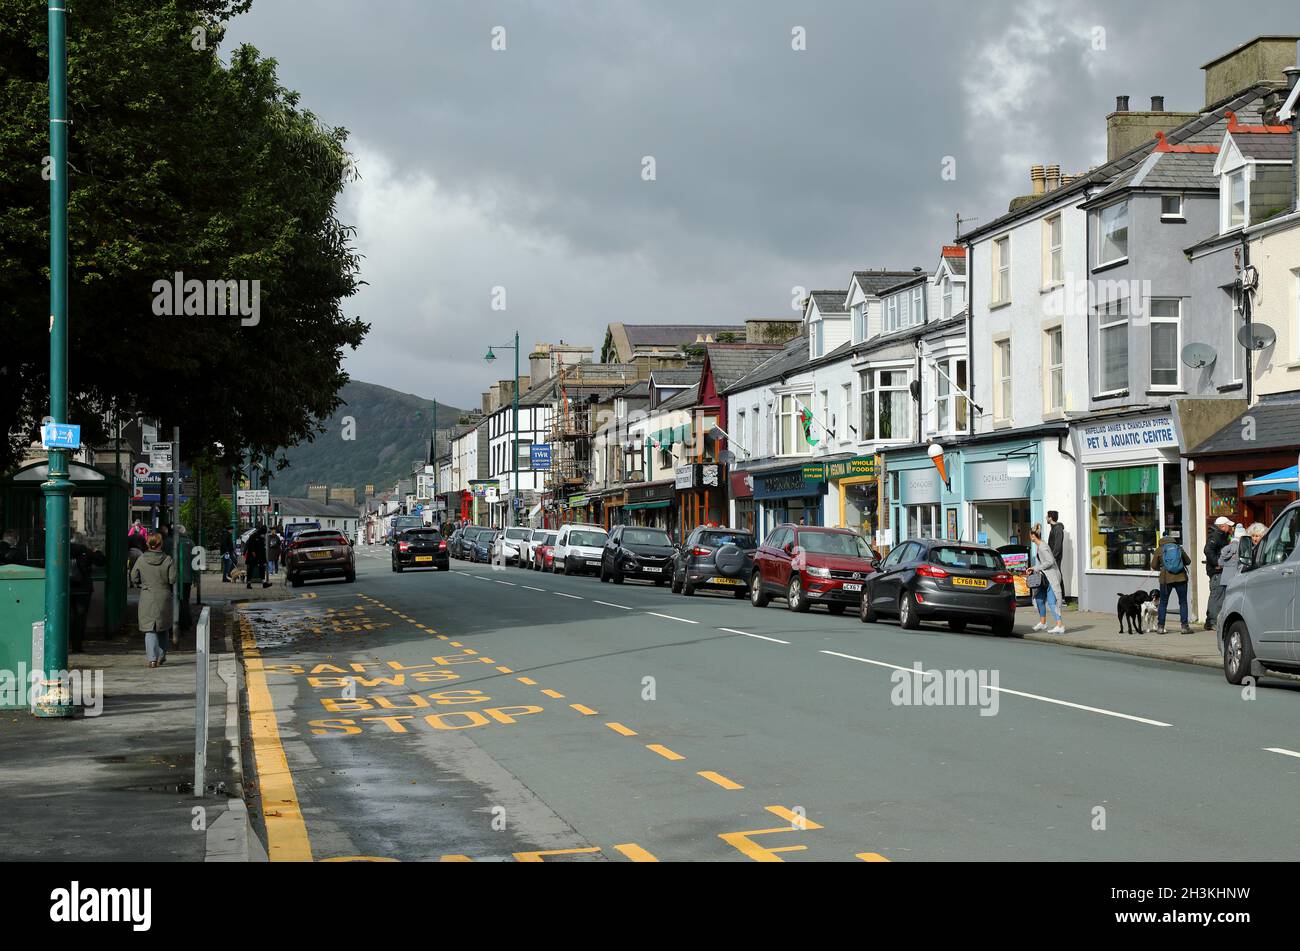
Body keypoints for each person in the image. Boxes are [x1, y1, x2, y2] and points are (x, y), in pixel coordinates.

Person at [129, 532, 176, 668]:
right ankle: (161, 656)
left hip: (147, 596)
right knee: (163, 627)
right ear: (160, 544)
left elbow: (133, 577)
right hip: (164, 596)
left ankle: (152, 659)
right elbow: (172, 579)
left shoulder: (141, 559)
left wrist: (141, 584)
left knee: (150, 629)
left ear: (148, 544)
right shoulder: (168, 559)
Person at [68, 532, 106, 652]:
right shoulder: (85, 551)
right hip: (83, 589)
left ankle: (65, 643)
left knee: (67, 617)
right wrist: (97, 551)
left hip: (66, 588)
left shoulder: (61, 550)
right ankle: (77, 645)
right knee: (80, 618)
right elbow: (101, 561)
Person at [1150, 532, 1192, 635]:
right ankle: (1184, 627)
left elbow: (1154, 565)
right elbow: (1188, 561)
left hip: (1165, 579)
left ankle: (1160, 627)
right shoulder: (1178, 548)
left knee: (1163, 603)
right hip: (1181, 578)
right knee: (1183, 602)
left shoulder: (1159, 550)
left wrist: (1162, 565)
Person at [1029, 524, 1064, 635]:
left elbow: (1050, 562)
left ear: (1033, 536)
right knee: (1039, 598)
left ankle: (1060, 625)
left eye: (1030, 535)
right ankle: (1043, 623)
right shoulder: (1040, 545)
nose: (1030, 537)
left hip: (1051, 577)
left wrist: (1036, 568)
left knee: (1052, 601)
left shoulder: (1043, 547)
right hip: (1045, 577)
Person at [1203, 516, 1233, 629]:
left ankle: (1209, 621)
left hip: (1220, 571)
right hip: (1216, 572)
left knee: (1218, 596)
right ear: (1223, 526)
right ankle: (1213, 621)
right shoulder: (1216, 536)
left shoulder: (1222, 536)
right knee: (1216, 596)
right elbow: (1207, 550)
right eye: (1229, 526)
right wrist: (1217, 563)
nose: (1230, 528)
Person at [1046, 510, 1065, 598]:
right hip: (1052, 556)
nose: (1046, 518)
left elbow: (1057, 545)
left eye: (1047, 516)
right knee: (1054, 575)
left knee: (1057, 575)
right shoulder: (1053, 528)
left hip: (1055, 557)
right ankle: (1056, 596)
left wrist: (1053, 557)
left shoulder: (1057, 528)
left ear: (1050, 518)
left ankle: (1062, 597)